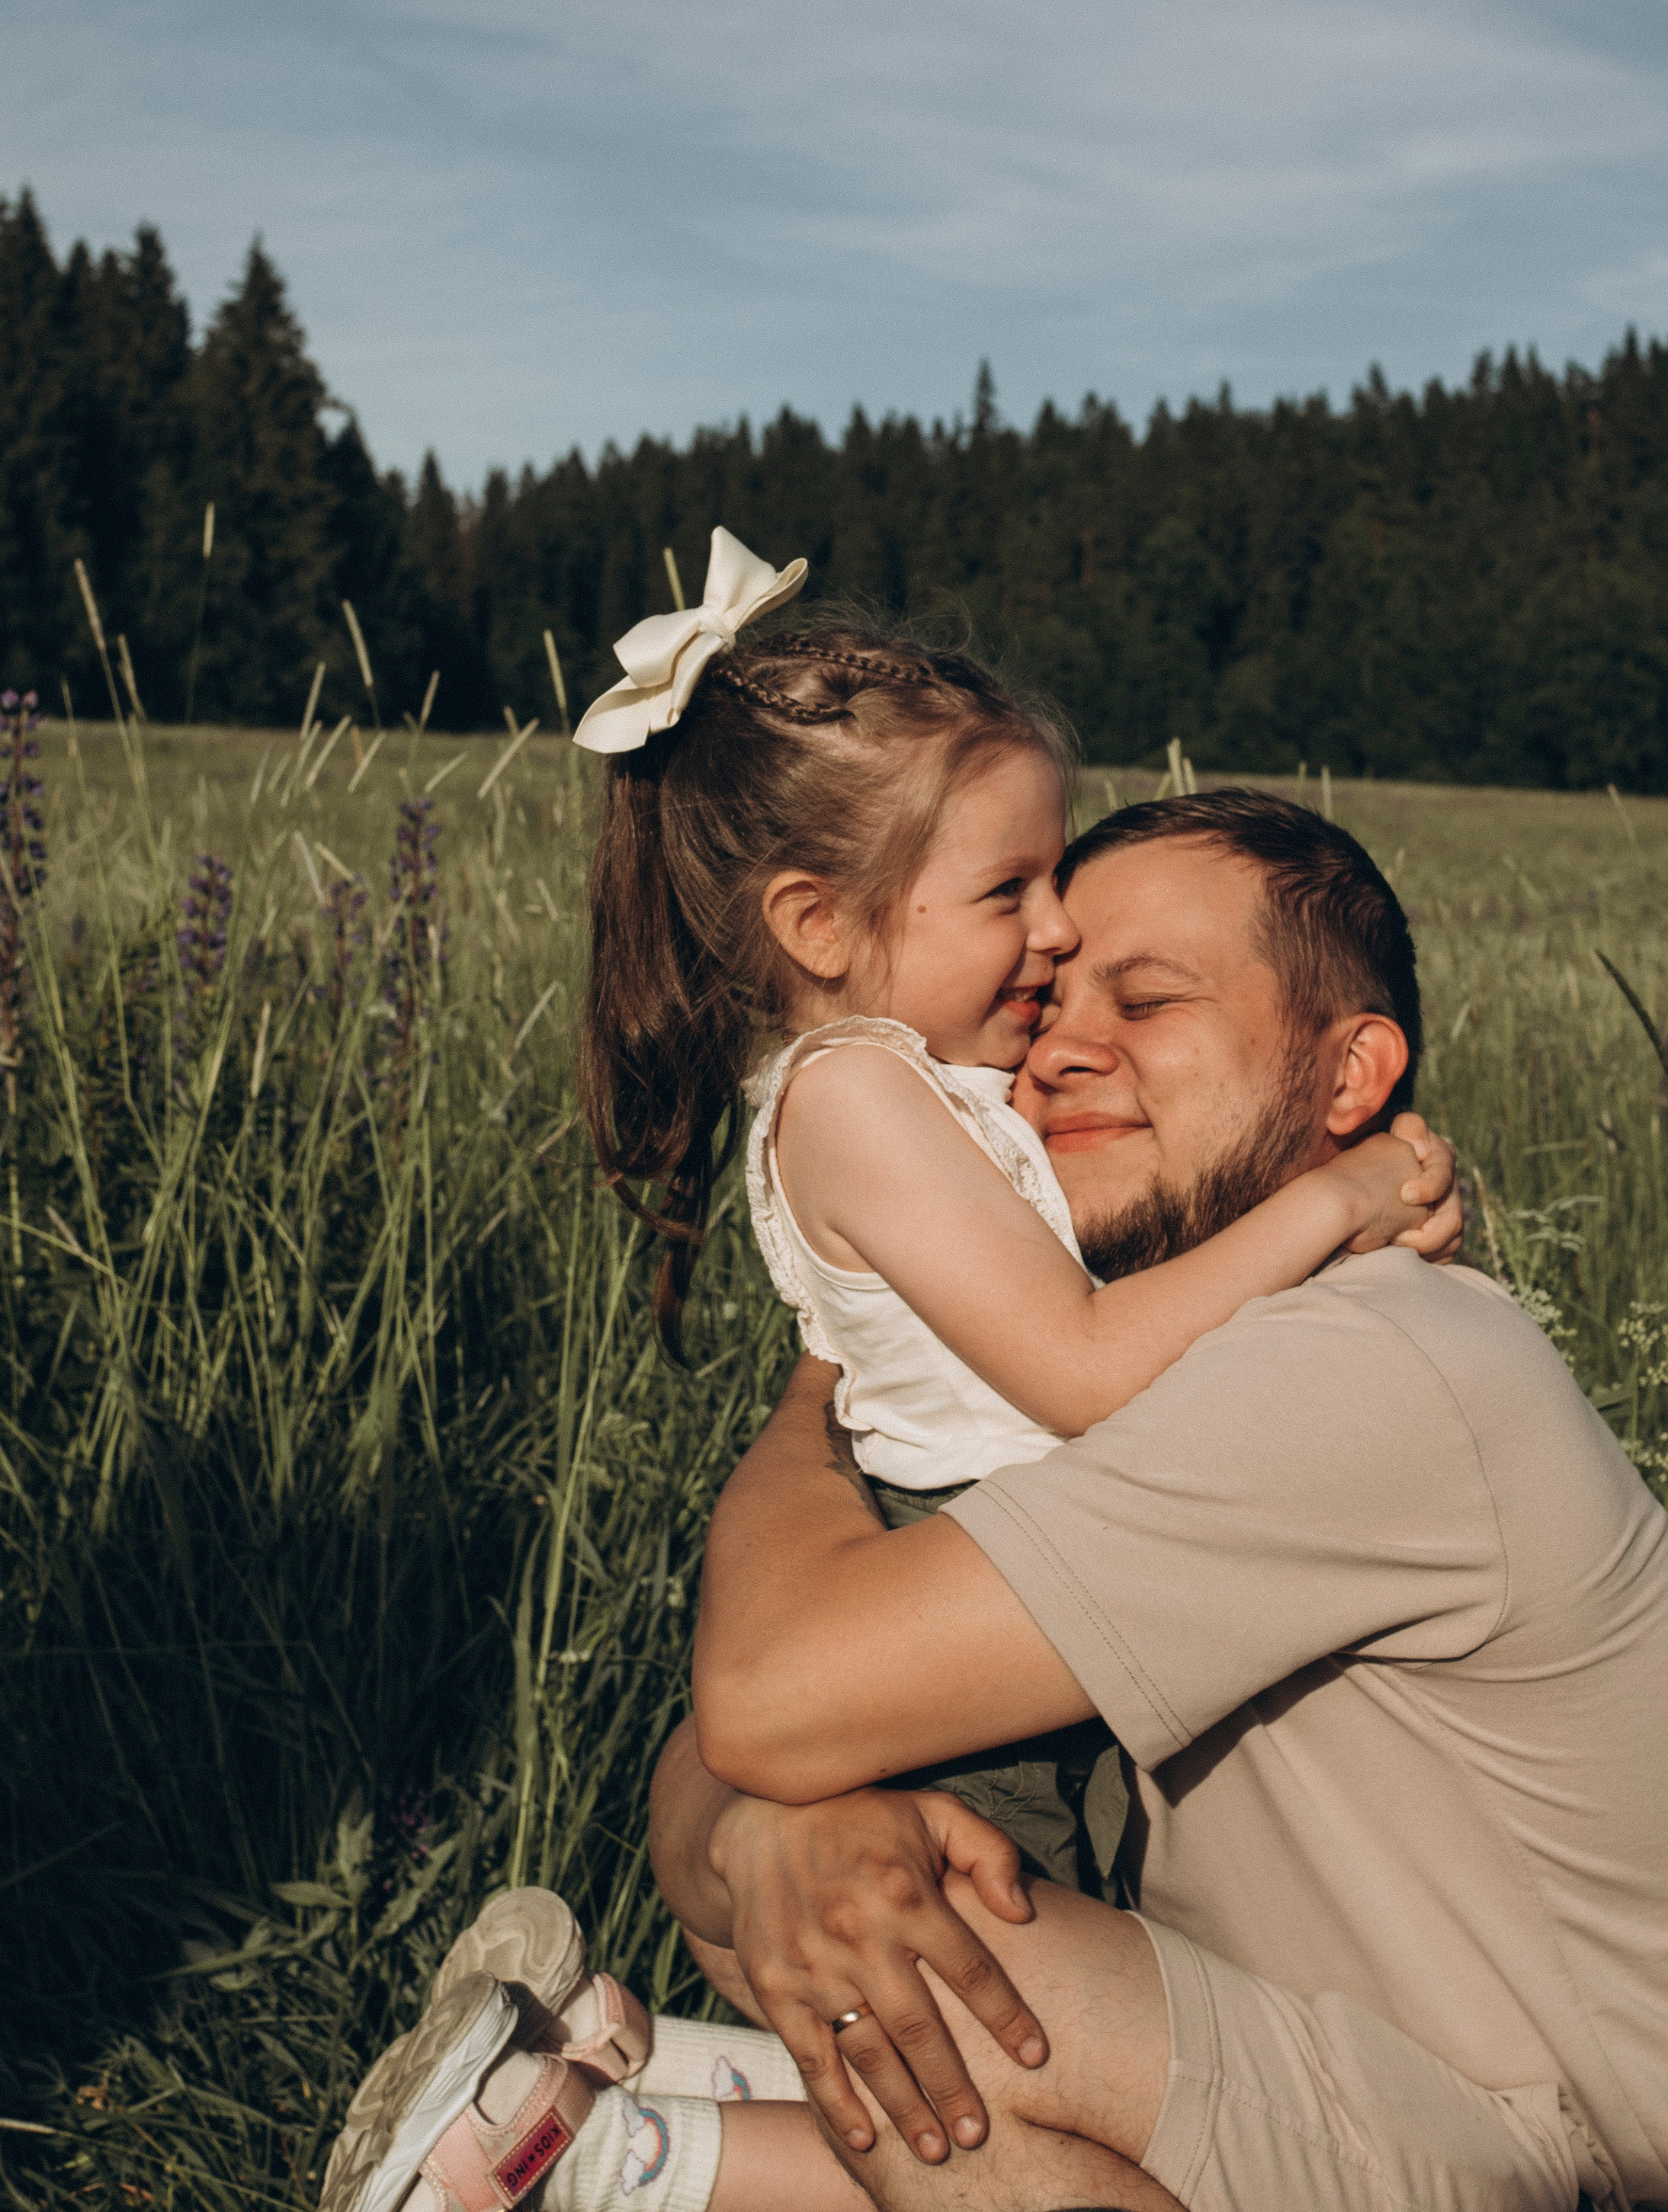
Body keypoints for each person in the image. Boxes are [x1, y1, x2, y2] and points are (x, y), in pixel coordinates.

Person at [320, 539, 1460, 2212]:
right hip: (983, 1562)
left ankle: (586, 2118)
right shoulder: (857, 1094)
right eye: (1011, 893)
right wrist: (1330, 1201)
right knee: (976, 2054)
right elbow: (1075, 1367)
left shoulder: (909, 1089)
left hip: (994, 1549)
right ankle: (587, 2160)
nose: (1052, 931)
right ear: (819, 922)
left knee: (962, 2051)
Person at [646, 790, 1668, 2212]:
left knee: (914, 1947)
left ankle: (625, 2145)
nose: (1060, 1052)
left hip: (1597, 2183)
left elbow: (773, 1692)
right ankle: (618, 2151)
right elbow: (724, 1757)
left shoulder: (1370, 1363)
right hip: (1345, 2140)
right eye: (1037, 1012)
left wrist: (827, 1374)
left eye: (1147, 1002)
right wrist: (766, 1835)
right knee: (862, 1907)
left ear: (1351, 1081)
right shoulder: (1114, 1387)